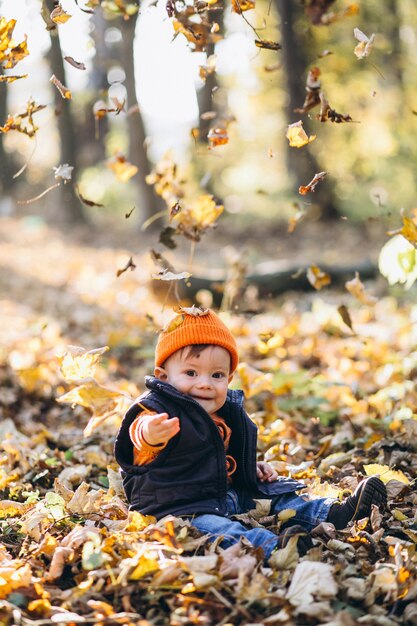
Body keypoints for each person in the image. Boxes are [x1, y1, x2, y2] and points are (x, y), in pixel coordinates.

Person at [115, 307, 387, 563]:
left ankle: (333, 513)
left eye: (217, 375)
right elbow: (140, 442)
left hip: (227, 494)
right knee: (216, 530)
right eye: (190, 372)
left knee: (276, 497)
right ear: (163, 377)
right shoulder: (157, 412)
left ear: (229, 378)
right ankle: (276, 548)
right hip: (182, 509)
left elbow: (218, 458)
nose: (205, 383)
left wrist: (247, 469)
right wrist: (150, 435)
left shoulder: (222, 413)